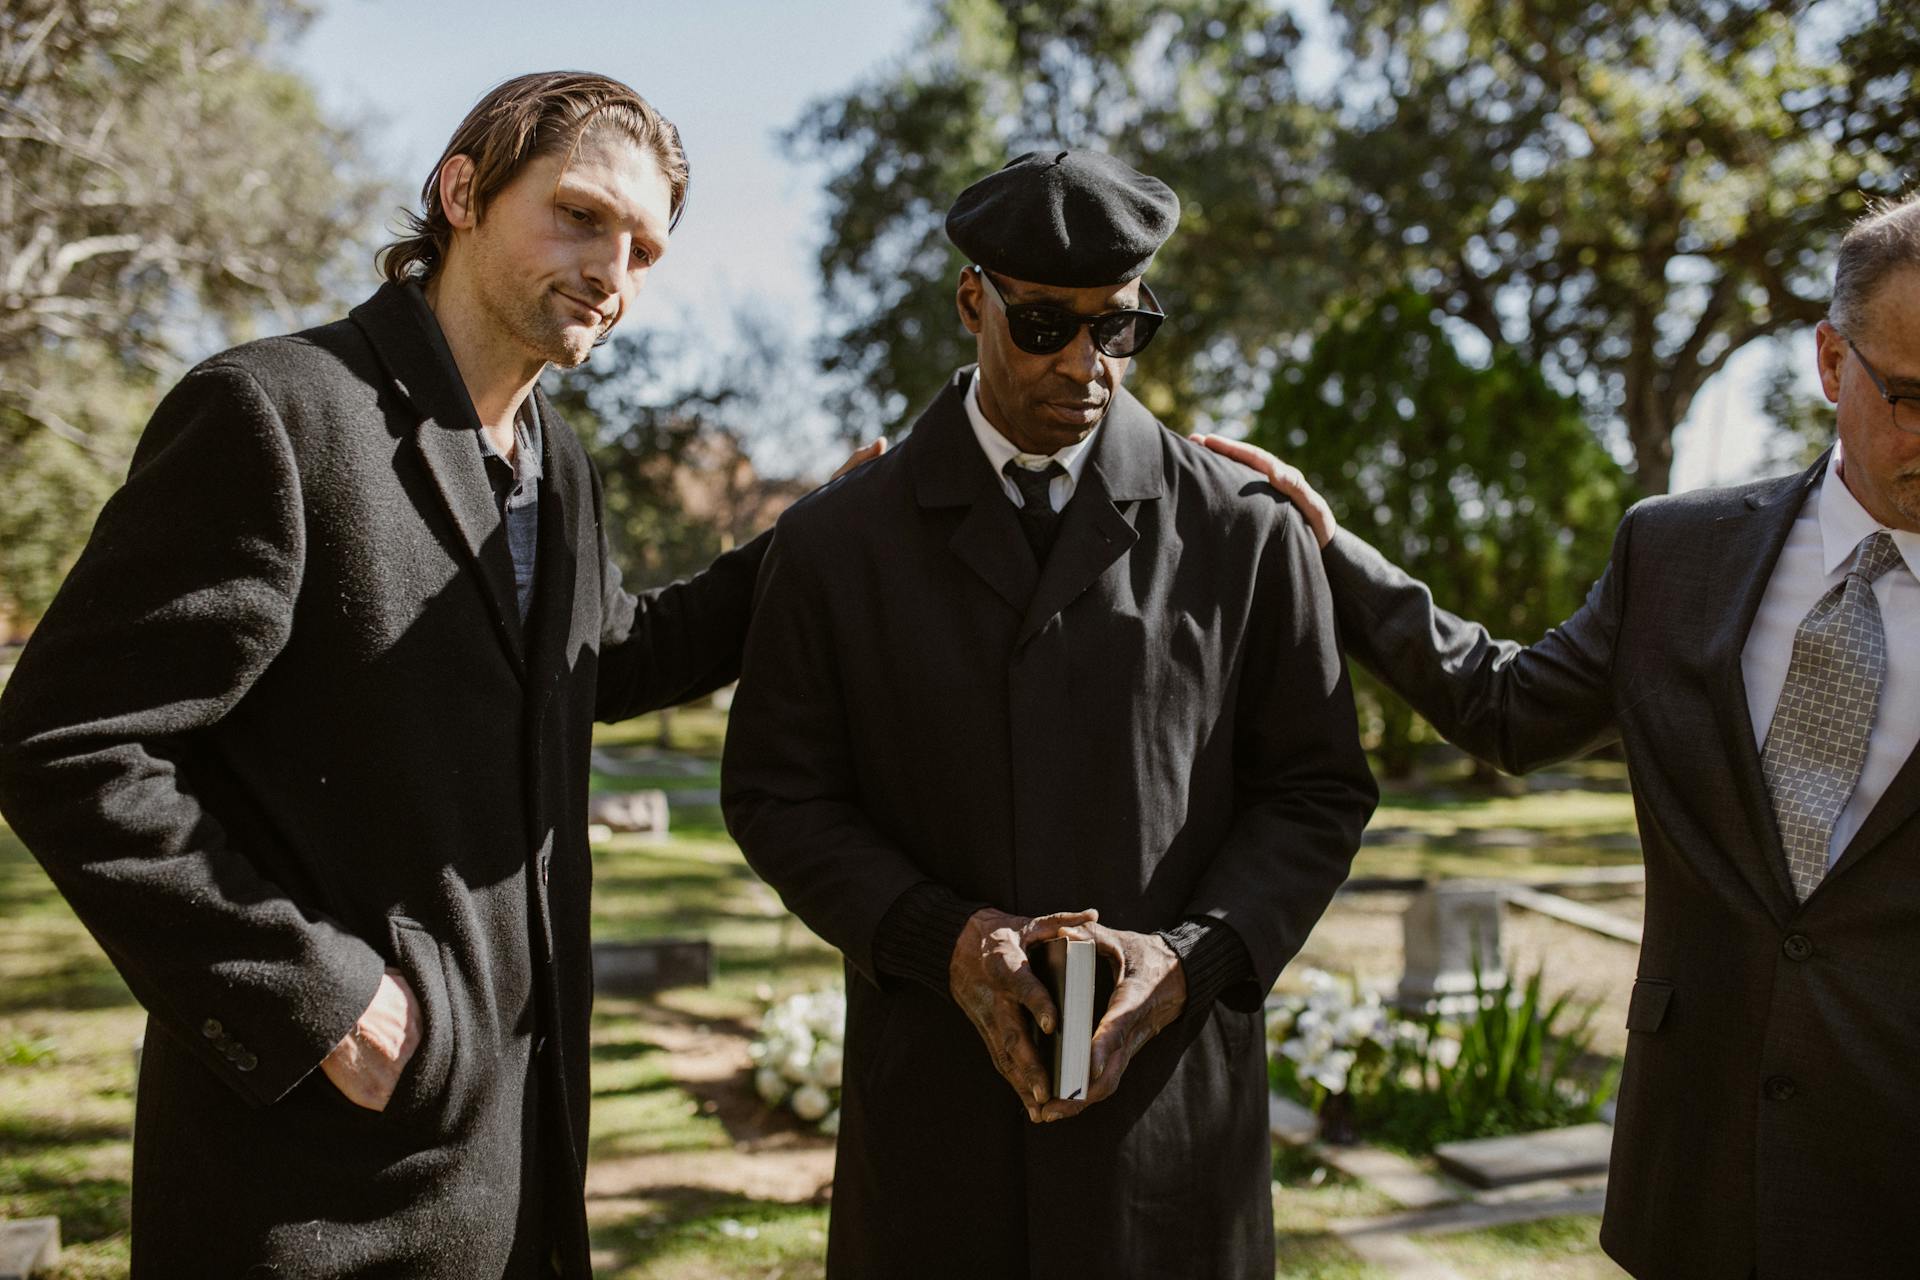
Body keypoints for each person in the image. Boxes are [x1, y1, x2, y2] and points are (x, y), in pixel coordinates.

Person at [0, 71, 875, 1279]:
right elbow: (68, 743)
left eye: (643, 248)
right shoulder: (275, 415)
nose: (613, 272)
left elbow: (602, 656)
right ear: (460, 191)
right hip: (313, 1177)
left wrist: (813, 538)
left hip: (514, 1162)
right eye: (579, 215)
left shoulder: (556, 464)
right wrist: (316, 996)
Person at [1200, 192, 1920, 1279]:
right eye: (1911, 395)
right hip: (1699, 1173)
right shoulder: (1675, 555)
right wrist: (1330, 550)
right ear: (1831, 361)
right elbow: (1508, 708)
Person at [721, 149, 1378, 1278]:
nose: (1088, 363)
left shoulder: (1247, 533)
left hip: (1170, 1132)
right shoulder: (835, 541)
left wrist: (1193, 958)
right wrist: (946, 940)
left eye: (1121, 330)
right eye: (1044, 325)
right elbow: (779, 791)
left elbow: (1316, 790)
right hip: (935, 1121)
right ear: (972, 298)